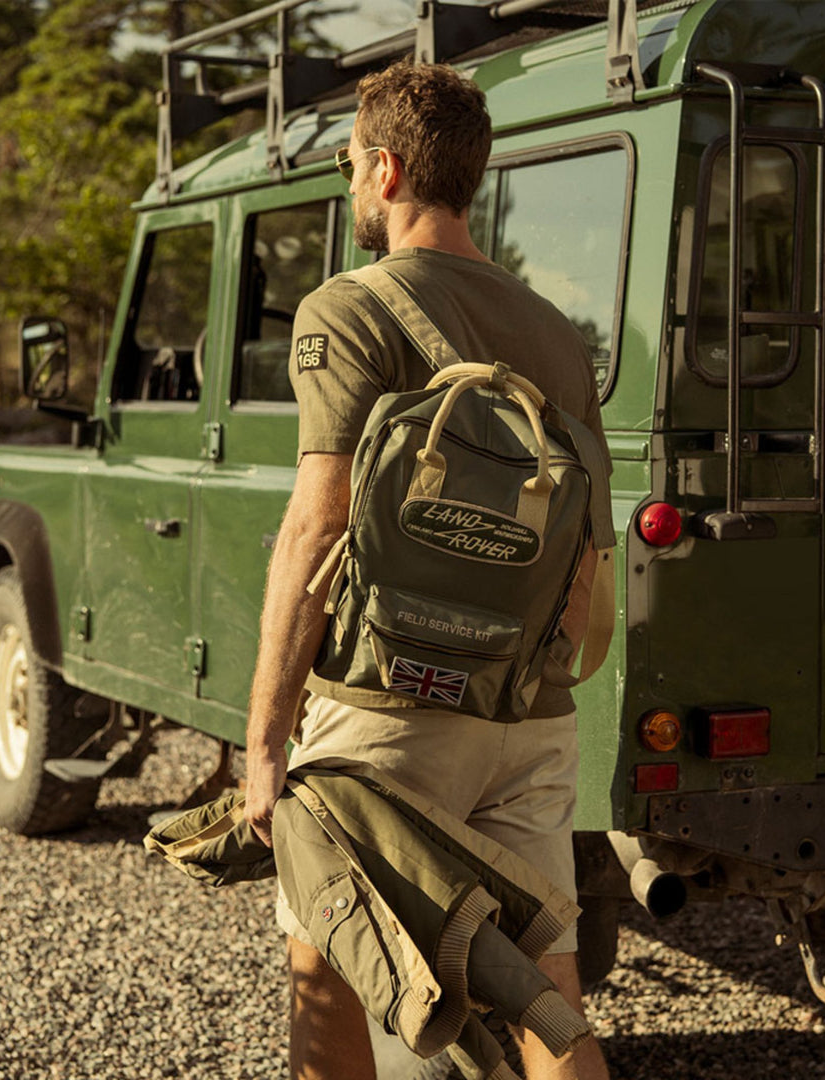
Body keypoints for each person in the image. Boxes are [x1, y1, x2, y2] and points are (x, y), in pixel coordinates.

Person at [244, 60, 612, 1080]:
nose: (350, 185)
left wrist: (266, 741)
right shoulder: (561, 339)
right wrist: (525, 689)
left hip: (385, 712)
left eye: (351, 165)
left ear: (389, 168)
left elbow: (315, 530)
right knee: (549, 997)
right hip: (531, 716)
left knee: (325, 964)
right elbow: (591, 576)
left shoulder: (349, 308)